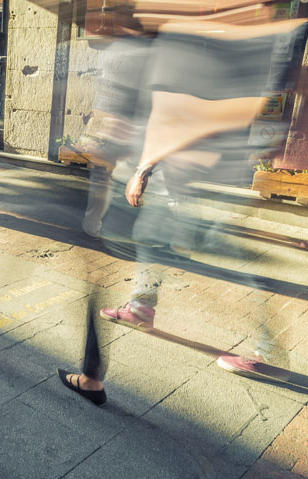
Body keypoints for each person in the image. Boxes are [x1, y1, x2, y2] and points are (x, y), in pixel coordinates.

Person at [59, 2, 306, 403]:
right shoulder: (215, 35)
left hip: (199, 174)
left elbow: (203, 112)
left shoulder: (231, 34)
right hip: (185, 170)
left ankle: (271, 351)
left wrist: (144, 165)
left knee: (235, 264)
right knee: (150, 237)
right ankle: (140, 306)